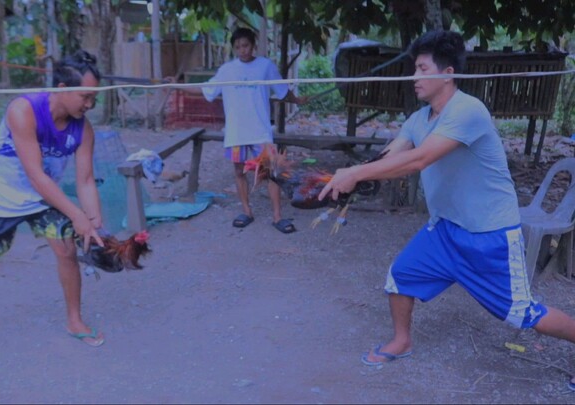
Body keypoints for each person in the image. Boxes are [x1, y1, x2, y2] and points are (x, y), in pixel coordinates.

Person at [318, 30, 575, 389]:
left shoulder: (467, 111)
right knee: (401, 276)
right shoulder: (419, 119)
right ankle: (402, 340)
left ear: (448, 72)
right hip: (444, 231)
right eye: (413, 69)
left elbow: (419, 159)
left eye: (422, 68)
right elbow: (393, 155)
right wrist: (347, 181)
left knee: (522, 314)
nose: (414, 77)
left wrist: (355, 172)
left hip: (490, 236)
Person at [0, 50, 107, 348]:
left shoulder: (83, 128)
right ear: (63, 89)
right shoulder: (23, 110)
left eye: (94, 98)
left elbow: (86, 179)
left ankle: (74, 320)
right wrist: (76, 215)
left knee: (66, 252)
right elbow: (36, 175)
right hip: (0, 196)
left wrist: (93, 218)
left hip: (43, 198)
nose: (90, 105)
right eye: (85, 97)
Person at [170, 27, 307, 233]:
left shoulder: (265, 66)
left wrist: (296, 99)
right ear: (234, 49)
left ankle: (278, 216)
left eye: (245, 45)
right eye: (237, 47)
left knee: (271, 173)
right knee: (238, 171)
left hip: (260, 131)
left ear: (253, 45)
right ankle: (246, 211)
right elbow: (206, 89)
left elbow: (282, 91)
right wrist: (177, 86)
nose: (242, 50)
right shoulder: (227, 70)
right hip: (236, 132)